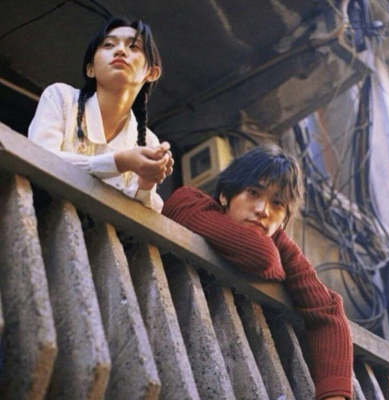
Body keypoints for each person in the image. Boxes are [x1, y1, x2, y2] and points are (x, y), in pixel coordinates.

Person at [162, 144, 353, 400]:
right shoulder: (188, 201)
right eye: (253, 192)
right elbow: (259, 256)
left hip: (235, 370)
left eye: (278, 203)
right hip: (170, 344)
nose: (263, 210)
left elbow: (328, 312)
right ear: (225, 195)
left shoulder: (282, 246)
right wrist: (274, 266)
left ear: (283, 220)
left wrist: (334, 396)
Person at [28, 17, 173, 213]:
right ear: (91, 69)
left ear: (151, 72)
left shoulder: (148, 142)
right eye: (108, 45)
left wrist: (147, 181)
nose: (120, 50)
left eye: (134, 47)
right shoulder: (61, 98)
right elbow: (39, 159)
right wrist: (120, 162)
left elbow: (138, 215)